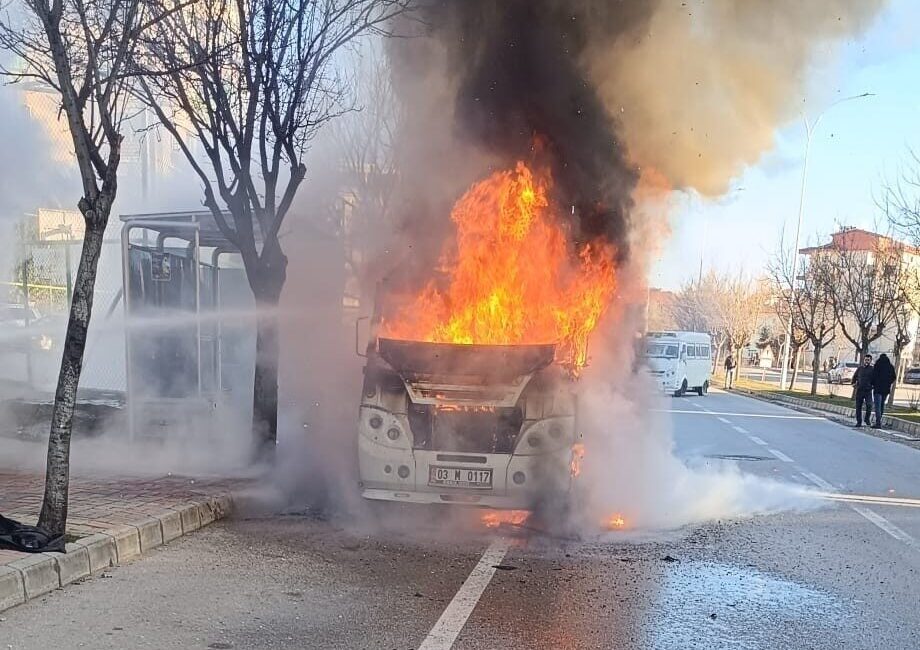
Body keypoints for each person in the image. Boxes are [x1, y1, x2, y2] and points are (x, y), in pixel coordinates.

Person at [871, 353, 896, 428]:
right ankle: (879, 421)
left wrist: (873, 384)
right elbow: (893, 377)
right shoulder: (890, 367)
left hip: (877, 388)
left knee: (877, 406)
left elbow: (873, 376)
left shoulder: (877, 365)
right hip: (886, 389)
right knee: (882, 405)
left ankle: (878, 422)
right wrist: (888, 382)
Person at [850, 354, 874, 428]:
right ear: (864, 360)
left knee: (869, 405)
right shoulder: (860, 368)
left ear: (870, 361)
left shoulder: (873, 369)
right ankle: (859, 422)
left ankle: (867, 419)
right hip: (860, 390)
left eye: (868, 360)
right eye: (865, 359)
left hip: (868, 391)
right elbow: (854, 377)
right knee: (858, 407)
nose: (866, 361)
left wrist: (873, 386)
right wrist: (853, 384)